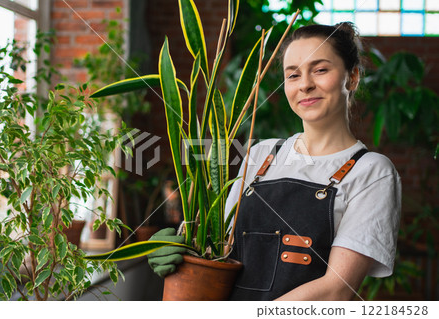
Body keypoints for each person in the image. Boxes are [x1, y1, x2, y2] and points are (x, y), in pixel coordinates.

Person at [148, 22, 401, 301]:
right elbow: (219, 251)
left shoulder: (372, 171)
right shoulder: (262, 155)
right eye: (293, 75)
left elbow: (336, 290)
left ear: (352, 77)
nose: (305, 84)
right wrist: (179, 251)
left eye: (320, 70)